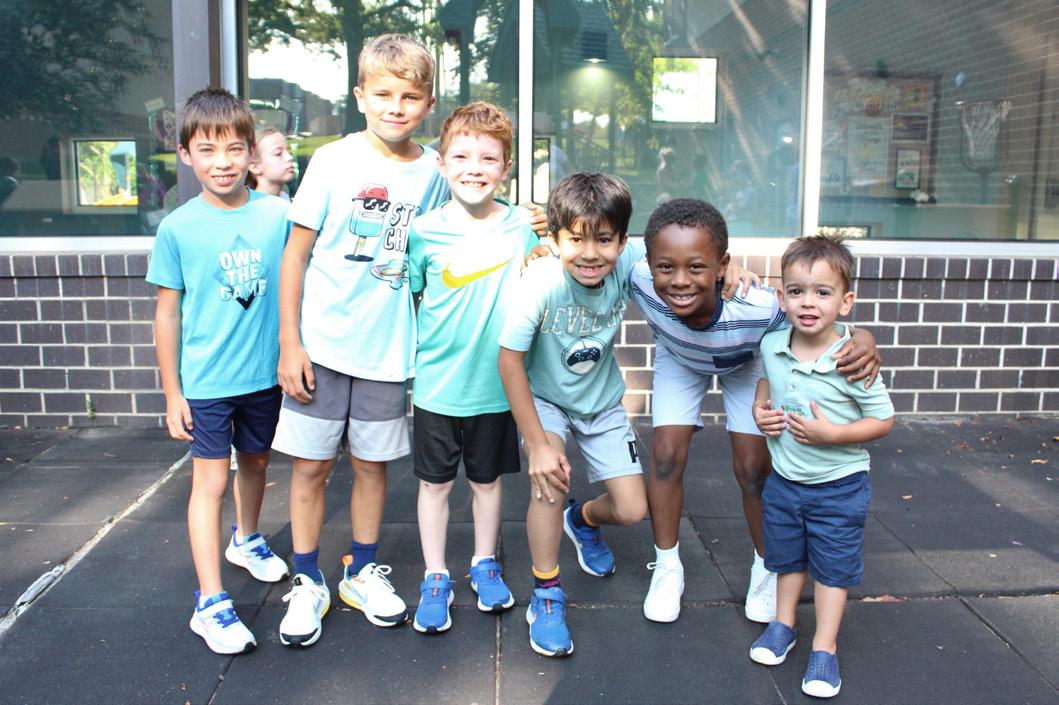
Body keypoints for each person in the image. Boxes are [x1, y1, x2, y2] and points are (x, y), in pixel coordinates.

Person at [270, 35, 547, 647]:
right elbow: (295, 255)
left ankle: (362, 571)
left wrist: (530, 216)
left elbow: (476, 206)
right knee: (312, 467)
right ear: (360, 96)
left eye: (410, 97)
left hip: (389, 350)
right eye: (383, 94)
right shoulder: (333, 161)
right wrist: (290, 342)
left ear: (427, 104)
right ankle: (307, 578)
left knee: (372, 468)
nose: (395, 107)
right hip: (322, 344)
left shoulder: (434, 168)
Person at [631, 199, 880, 626]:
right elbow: (591, 255)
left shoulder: (757, 304)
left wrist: (861, 335)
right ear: (650, 264)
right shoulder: (637, 275)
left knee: (752, 468)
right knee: (666, 455)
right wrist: (537, 246)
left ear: (723, 265)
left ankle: (767, 566)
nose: (680, 280)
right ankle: (667, 566)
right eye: (666, 267)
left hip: (747, 362)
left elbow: (813, 317)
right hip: (681, 357)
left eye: (697, 267)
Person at [146, 87, 291, 655]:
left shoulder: (278, 216)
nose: (222, 162)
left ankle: (246, 539)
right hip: (207, 383)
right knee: (208, 484)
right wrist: (172, 392)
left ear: (251, 153)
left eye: (234, 149)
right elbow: (167, 314)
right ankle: (210, 603)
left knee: (256, 462)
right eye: (207, 150)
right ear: (186, 155)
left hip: (264, 378)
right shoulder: (178, 228)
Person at [498, 172, 646, 657]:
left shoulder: (631, 261)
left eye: (604, 240)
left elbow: (683, 252)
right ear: (556, 238)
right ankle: (546, 592)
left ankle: (581, 520)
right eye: (576, 240)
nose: (590, 253)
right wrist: (539, 445)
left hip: (601, 400)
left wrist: (731, 269)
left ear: (622, 240)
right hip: (546, 398)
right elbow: (509, 361)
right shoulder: (542, 279)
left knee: (632, 509)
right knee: (550, 480)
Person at [406, 102, 536, 633]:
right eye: (461, 156)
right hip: (437, 388)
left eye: (488, 158)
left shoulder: (523, 227)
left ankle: (484, 563)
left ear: (506, 168)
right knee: (434, 486)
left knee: (486, 482)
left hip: (497, 389)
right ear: (441, 164)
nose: (474, 168)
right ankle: (435, 575)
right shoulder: (422, 231)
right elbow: (414, 297)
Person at [748, 235, 894, 699]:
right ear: (782, 297)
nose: (808, 302)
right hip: (785, 481)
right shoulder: (773, 344)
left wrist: (834, 435)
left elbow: (883, 420)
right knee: (786, 559)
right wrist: (759, 410)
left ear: (845, 302)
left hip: (839, 487)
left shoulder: (852, 359)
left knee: (832, 569)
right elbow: (766, 382)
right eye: (797, 291)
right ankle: (783, 625)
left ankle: (824, 647)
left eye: (822, 292)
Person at [247, 127, 296, 200]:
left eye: (290, 152)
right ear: (255, 166)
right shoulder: (254, 204)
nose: (290, 157)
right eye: (278, 154)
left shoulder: (284, 197)